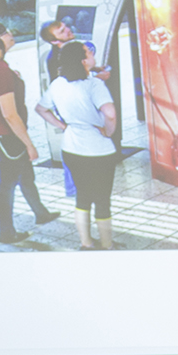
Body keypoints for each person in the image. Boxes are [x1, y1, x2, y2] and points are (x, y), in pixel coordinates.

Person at [0, 19, 60, 244]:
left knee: (25, 175)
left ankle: (41, 213)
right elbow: (9, 114)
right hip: (6, 134)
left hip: (0, 133)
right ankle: (6, 233)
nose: (11, 35)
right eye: (5, 33)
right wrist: (29, 144)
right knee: (8, 183)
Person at [46, 41, 119, 250]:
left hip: (71, 149)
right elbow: (110, 114)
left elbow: (42, 109)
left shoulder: (58, 83)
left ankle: (86, 243)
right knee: (102, 199)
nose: (91, 52)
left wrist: (62, 126)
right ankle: (107, 245)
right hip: (99, 151)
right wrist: (109, 131)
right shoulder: (95, 85)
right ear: (82, 61)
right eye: (88, 52)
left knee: (82, 197)